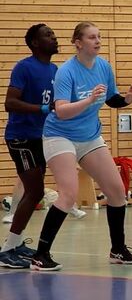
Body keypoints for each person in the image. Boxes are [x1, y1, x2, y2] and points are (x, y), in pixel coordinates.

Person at [30, 21, 132, 271]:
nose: (98, 41)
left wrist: (128, 99)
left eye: (99, 36)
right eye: (92, 37)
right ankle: (41, 255)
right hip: (60, 135)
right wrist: (88, 99)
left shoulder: (103, 66)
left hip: (89, 136)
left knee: (116, 192)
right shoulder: (67, 71)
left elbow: (111, 99)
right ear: (78, 43)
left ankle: (118, 250)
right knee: (68, 194)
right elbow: (61, 111)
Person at [0, 24, 59, 269]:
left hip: (40, 137)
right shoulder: (25, 67)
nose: (54, 38)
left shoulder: (56, 69)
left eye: (53, 34)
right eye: (48, 35)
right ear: (35, 43)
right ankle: (6, 250)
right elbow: (10, 103)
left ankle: (16, 243)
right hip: (21, 137)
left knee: (31, 191)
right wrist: (42, 109)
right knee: (34, 191)